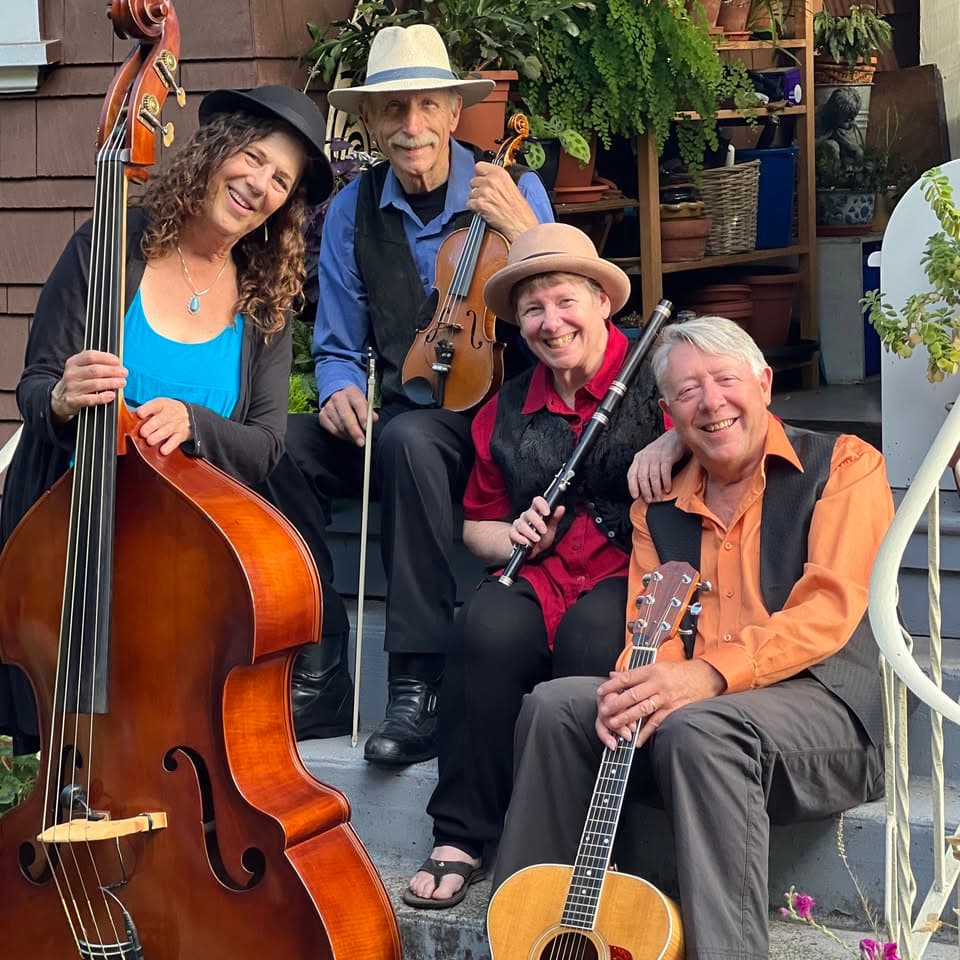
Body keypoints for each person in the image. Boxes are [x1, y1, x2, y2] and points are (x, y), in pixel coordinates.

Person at [492, 316, 894, 960]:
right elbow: (648, 631)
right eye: (688, 392)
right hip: (697, 724)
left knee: (698, 728)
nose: (711, 403)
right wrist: (640, 687)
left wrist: (704, 678)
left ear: (763, 383)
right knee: (557, 705)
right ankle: (532, 937)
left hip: (825, 719)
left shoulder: (843, 464)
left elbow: (830, 610)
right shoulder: (658, 507)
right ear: (666, 414)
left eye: (726, 380)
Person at [0, 85, 333, 756]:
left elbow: (266, 444)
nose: (259, 184)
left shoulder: (263, 304)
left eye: (281, 180)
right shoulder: (110, 245)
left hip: (190, 560)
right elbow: (34, 388)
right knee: (65, 745)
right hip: (72, 535)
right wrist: (64, 395)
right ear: (216, 149)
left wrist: (195, 421)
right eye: (253, 157)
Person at [261, 23, 555, 763]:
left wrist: (524, 233)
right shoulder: (353, 212)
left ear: (456, 114)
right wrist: (333, 390)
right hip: (400, 412)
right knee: (279, 450)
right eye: (393, 111)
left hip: (497, 422)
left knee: (410, 440)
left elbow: (568, 308)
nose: (412, 125)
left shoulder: (512, 189)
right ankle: (320, 659)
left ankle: (415, 687)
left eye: (427, 106)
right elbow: (335, 344)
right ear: (369, 123)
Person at [404, 222, 677, 908]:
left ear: (601, 304)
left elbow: (722, 417)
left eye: (564, 301)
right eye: (533, 309)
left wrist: (672, 447)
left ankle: (577, 843)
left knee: (594, 644)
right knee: (484, 630)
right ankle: (462, 832)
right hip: (544, 572)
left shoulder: (661, 372)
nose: (550, 323)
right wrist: (517, 534)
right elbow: (476, 528)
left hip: (635, 571)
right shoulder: (505, 407)